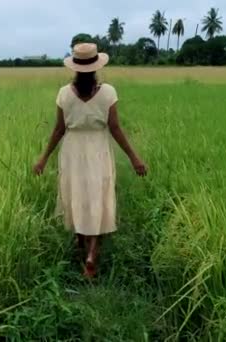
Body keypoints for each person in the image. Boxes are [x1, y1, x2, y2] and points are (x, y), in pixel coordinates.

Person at [33, 43, 147, 278]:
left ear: (74, 67)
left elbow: (58, 130)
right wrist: (134, 158)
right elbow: (115, 129)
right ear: (97, 67)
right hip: (98, 151)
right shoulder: (108, 93)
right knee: (97, 197)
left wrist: (43, 159)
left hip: (72, 152)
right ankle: (92, 254)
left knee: (78, 195)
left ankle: (81, 241)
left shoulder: (64, 94)